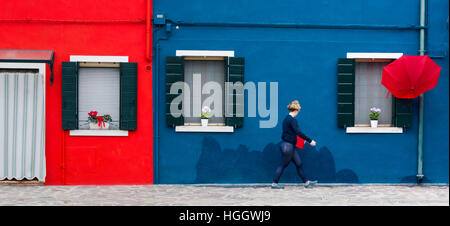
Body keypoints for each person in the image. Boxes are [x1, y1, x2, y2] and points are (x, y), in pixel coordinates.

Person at [272, 100, 318, 189]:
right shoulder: (292, 120)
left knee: (299, 163)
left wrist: (299, 141)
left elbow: (290, 134)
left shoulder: (286, 119)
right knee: (283, 165)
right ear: (296, 110)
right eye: (298, 111)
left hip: (288, 145)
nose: (298, 113)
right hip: (288, 146)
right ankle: (274, 183)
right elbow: (298, 132)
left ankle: (306, 182)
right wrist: (310, 141)